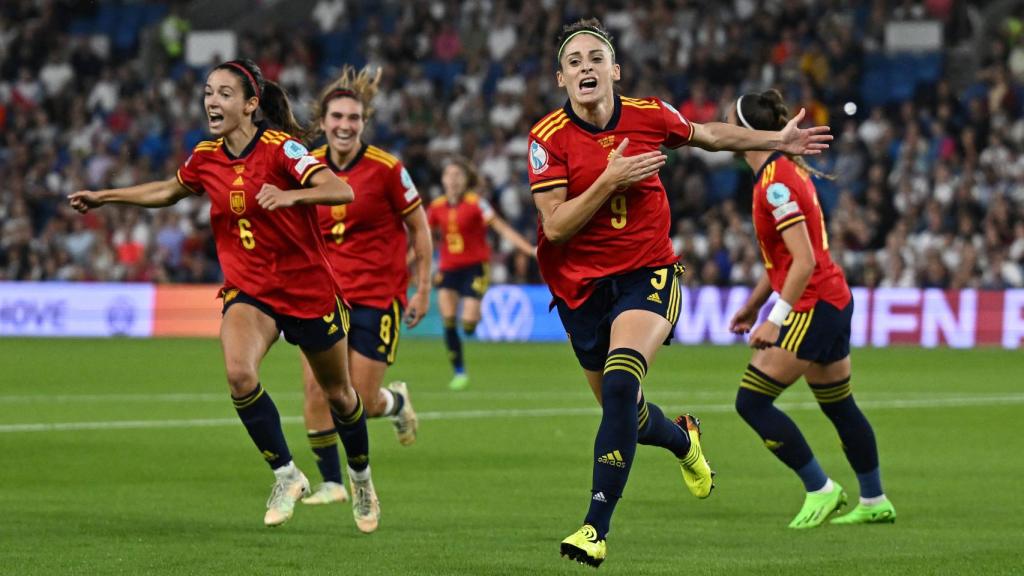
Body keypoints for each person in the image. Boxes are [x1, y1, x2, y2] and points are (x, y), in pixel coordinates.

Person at [526, 19, 833, 567]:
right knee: (626, 410)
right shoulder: (546, 138)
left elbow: (709, 134)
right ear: (560, 79)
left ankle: (594, 528)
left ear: (615, 71)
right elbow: (555, 227)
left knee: (621, 383)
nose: (586, 68)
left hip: (648, 273)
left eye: (596, 58)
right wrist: (609, 180)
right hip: (580, 290)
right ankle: (683, 440)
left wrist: (776, 140)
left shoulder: (649, 115)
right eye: (574, 62)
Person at [68, 59, 381, 533]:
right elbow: (168, 190)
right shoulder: (206, 156)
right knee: (239, 374)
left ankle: (361, 479)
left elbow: (339, 189)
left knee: (339, 394)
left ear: (251, 104)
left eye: (224, 94)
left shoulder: (282, 149)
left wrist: (290, 196)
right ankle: (287, 475)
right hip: (251, 289)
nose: (212, 102)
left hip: (308, 290)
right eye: (208, 92)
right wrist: (105, 196)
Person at [727, 89, 895, 528]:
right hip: (831, 298)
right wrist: (752, 305)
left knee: (752, 402)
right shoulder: (780, 172)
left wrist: (773, 319)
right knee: (839, 405)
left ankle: (820, 488)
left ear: (746, 132)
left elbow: (802, 262)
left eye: (729, 123)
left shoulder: (775, 182)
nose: (724, 131)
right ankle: (874, 500)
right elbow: (785, 260)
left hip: (812, 304)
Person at [297, 65, 431, 507]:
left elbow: (419, 227)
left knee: (361, 399)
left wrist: (423, 288)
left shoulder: (387, 169)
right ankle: (332, 483)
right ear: (322, 122)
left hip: (377, 296)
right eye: (337, 117)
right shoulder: (305, 167)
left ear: (364, 122)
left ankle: (395, 404)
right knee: (316, 389)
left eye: (353, 118)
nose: (345, 125)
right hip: (321, 298)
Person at [426, 156, 535, 390]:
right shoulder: (436, 207)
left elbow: (502, 228)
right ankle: (459, 371)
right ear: (443, 180)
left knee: (467, 325)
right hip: (448, 268)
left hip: (474, 268)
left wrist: (530, 250)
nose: (453, 180)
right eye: (449, 175)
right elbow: (423, 238)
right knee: (448, 319)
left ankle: (473, 320)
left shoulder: (477, 203)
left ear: (466, 180)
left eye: (458, 175)